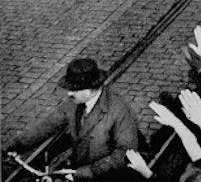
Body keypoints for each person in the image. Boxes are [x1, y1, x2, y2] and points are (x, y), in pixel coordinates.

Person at [6, 58, 138, 182]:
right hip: (78, 171)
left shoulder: (119, 110)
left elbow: (123, 154)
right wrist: (14, 145)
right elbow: (47, 126)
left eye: (74, 89)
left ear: (89, 90)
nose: (69, 93)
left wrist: (81, 173)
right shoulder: (73, 104)